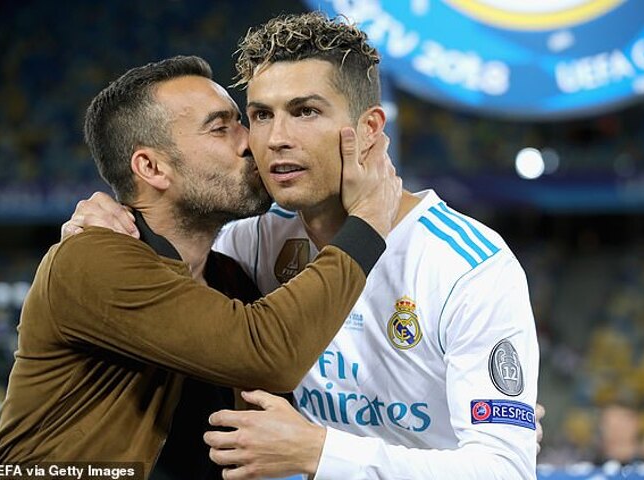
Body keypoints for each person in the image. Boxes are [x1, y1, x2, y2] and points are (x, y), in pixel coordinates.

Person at [65, 12, 541, 479]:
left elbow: (505, 470)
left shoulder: (468, 266)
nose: (275, 139)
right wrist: (103, 223)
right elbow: (165, 254)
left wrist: (318, 452)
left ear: (370, 128)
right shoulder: (251, 241)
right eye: (261, 115)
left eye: (305, 111)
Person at [0, 54, 402, 478]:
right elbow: (268, 353)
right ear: (152, 167)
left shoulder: (230, 277)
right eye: (221, 128)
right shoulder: (94, 258)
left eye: (243, 121)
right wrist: (368, 221)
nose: (251, 142)